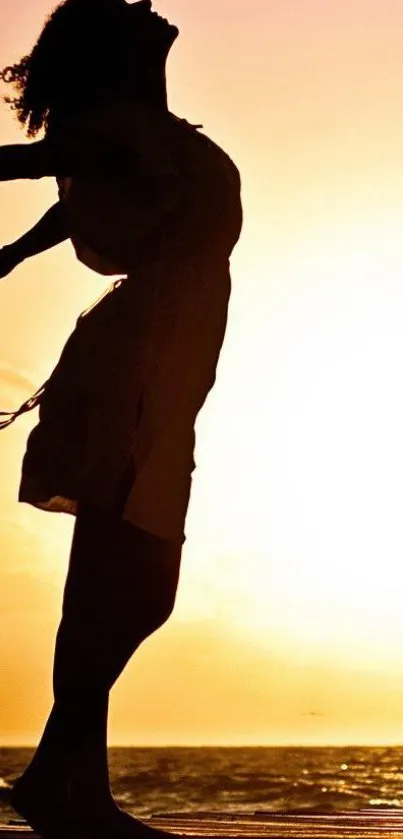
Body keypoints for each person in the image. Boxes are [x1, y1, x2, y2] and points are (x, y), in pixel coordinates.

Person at [0, 0, 243, 837]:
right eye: (142, 28)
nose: (161, 26)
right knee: (134, 580)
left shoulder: (143, 135)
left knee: (113, 578)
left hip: (158, 353)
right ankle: (62, 783)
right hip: (140, 358)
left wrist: (10, 255)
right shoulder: (118, 125)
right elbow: (47, 163)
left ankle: (61, 783)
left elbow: (74, 192)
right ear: (115, 54)